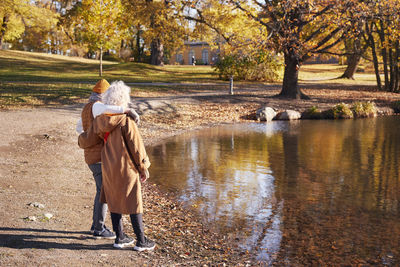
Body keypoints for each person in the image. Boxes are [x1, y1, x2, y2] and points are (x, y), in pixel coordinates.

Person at [90, 80, 155, 251]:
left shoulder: (100, 121)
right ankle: (141, 240)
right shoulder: (126, 121)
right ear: (123, 99)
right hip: (126, 166)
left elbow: (91, 137)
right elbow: (136, 147)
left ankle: (120, 237)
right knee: (134, 202)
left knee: (114, 200)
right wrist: (143, 167)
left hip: (109, 165)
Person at [77, 79, 140, 239]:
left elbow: (79, 128)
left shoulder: (86, 108)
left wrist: (90, 134)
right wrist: (127, 110)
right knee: (103, 192)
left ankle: (96, 225)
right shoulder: (97, 106)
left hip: (91, 156)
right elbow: (107, 108)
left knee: (101, 190)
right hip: (99, 157)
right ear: (101, 95)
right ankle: (99, 228)